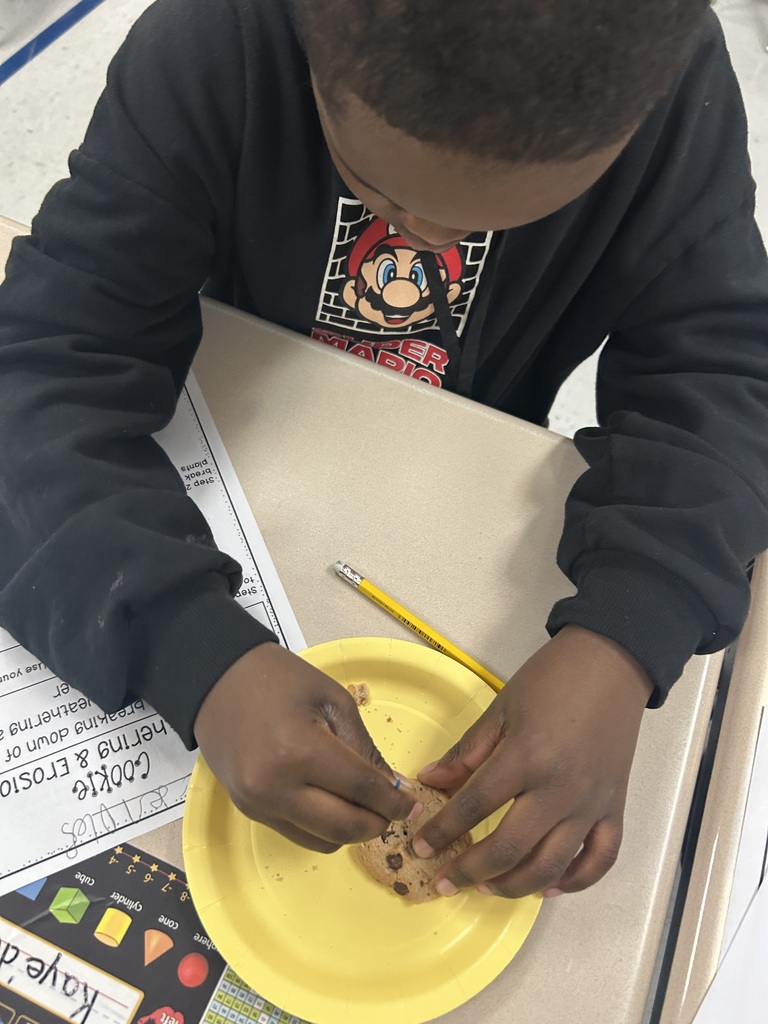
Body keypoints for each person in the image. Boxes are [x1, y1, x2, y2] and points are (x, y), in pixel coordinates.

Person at [1, 0, 767, 902]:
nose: (424, 241)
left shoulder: (671, 80)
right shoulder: (211, 43)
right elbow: (40, 377)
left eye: (502, 218)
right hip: (240, 440)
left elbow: (722, 377)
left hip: (450, 480)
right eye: (383, 193)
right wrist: (184, 646)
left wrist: (628, 636)